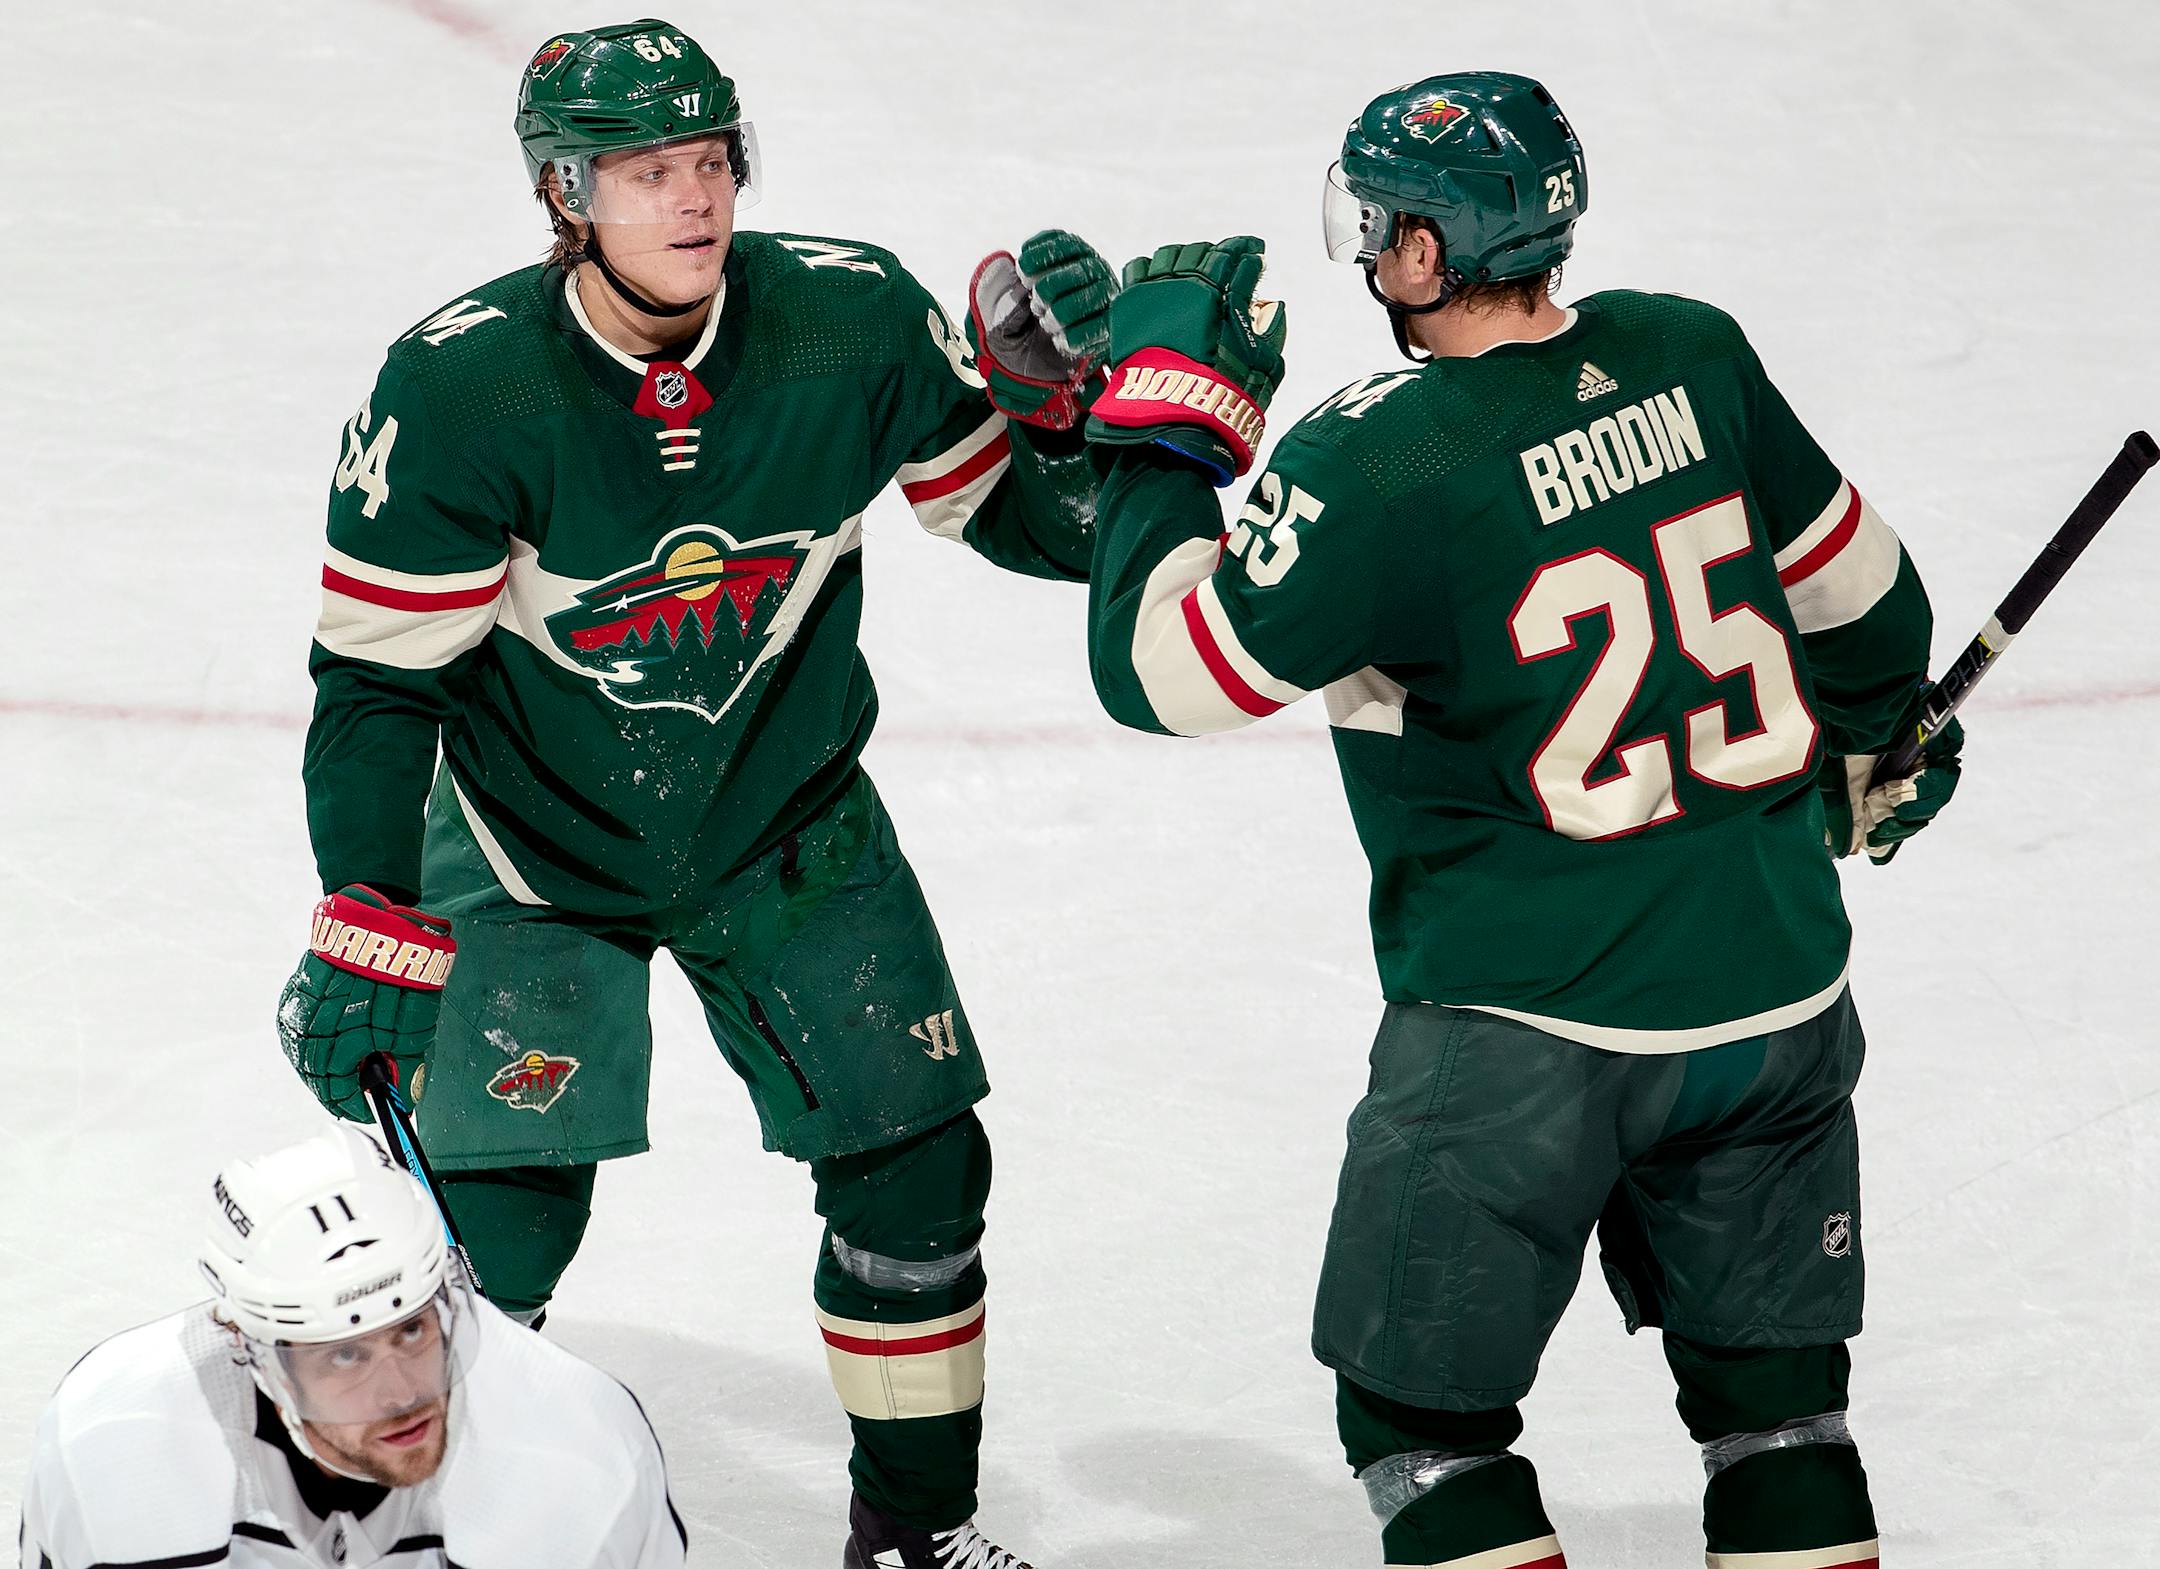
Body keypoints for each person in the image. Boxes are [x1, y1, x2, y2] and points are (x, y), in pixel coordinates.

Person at [1081, 73, 1963, 1569]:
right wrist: (1884, 737)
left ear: (1427, 253)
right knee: (1780, 1420)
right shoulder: (1693, 351)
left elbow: (1165, 678)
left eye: (1380, 225)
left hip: (1521, 1032)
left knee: (1423, 1434)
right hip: (1777, 1001)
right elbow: (1872, 608)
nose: (1368, 252)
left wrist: (1160, 444)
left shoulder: (1378, 449)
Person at [275, 20, 1117, 1567]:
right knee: (495, 1232)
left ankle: (914, 1536)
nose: (693, 199)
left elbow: (1022, 518)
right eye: (648, 171)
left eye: (712, 162)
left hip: (789, 823)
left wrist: (1108, 438)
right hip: (532, 847)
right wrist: (368, 912)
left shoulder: (849, 322)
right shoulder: (467, 389)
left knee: (920, 1175)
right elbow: (382, 690)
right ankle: (409, 1540)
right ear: (564, 193)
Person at [20, 1126, 686, 1567]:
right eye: (345, 1354)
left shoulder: (580, 1459)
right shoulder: (116, 1445)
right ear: (250, 1351)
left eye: (412, 1330)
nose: (402, 1392)